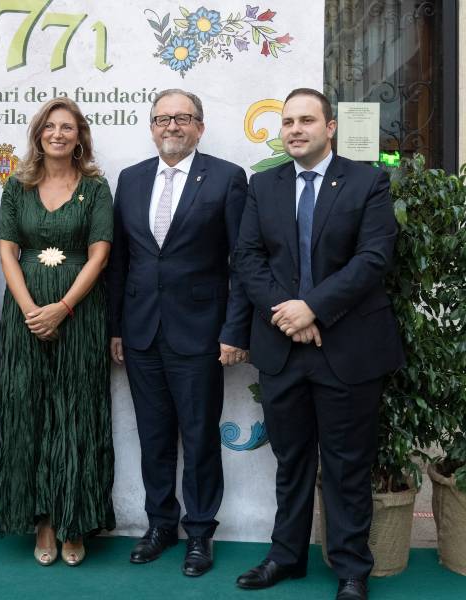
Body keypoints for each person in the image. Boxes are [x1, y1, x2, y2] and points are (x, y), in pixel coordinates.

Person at [233, 88, 404, 600]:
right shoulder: (263, 185)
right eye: (287, 122)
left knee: (347, 463)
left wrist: (314, 307)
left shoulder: (367, 180)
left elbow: (373, 259)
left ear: (330, 127)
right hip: (283, 347)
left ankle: (351, 567)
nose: (295, 129)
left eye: (306, 120)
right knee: (291, 460)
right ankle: (285, 556)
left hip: (349, 348)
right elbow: (248, 258)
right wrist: (290, 314)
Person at [106, 89, 251, 577]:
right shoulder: (130, 179)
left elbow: (242, 261)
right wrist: (117, 329)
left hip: (201, 335)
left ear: (200, 127)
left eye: (183, 118)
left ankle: (200, 533)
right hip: (142, 333)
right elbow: (121, 263)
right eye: (163, 118)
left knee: (200, 437)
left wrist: (234, 330)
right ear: (151, 126)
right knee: (154, 437)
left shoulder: (228, 178)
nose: (172, 126)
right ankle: (159, 524)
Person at [0, 97, 115, 566]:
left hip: (80, 314)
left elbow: (99, 255)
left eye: (68, 127)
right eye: (50, 126)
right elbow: (6, 253)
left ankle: (73, 520)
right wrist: (29, 310)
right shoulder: (16, 187)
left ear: (80, 136)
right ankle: (41, 519)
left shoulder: (96, 189)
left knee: (76, 414)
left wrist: (60, 308)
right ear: (39, 133)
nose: (58, 134)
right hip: (25, 318)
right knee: (29, 412)